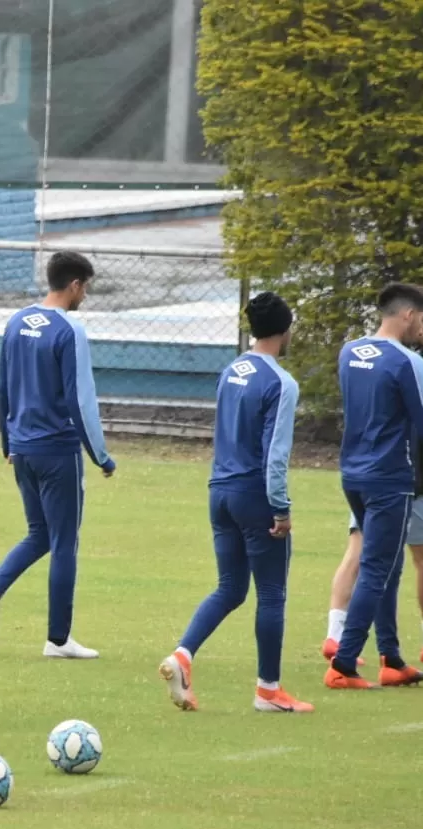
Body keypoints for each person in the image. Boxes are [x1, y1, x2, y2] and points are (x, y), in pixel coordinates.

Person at [158, 292, 312, 712]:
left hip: (219, 490)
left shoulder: (231, 370)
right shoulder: (281, 382)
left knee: (230, 587)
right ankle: (268, 690)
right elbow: (275, 455)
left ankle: (183, 655)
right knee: (272, 593)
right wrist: (280, 508)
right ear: (285, 331)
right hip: (253, 495)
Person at [0, 251, 116, 658]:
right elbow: (79, 399)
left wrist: (7, 442)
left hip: (22, 446)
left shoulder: (16, 322)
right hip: (57, 449)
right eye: (85, 288)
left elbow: (3, 388)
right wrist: (100, 455)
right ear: (75, 285)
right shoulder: (70, 329)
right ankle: (58, 639)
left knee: (41, 534)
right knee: (64, 541)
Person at [328, 283, 423, 690]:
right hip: (391, 477)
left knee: (388, 565)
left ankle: (391, 658)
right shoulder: (407, 363)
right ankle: (344, 665)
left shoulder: (350, 351)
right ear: (406, 315)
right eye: (422, 318)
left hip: (353, 472)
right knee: (378, 569)